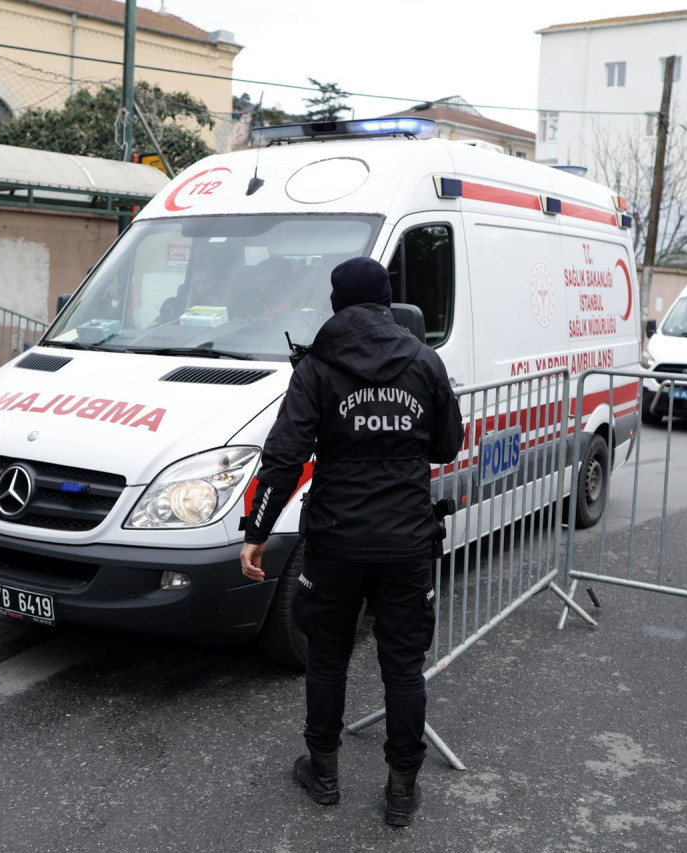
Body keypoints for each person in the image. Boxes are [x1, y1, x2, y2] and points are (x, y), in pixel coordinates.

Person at [239, 256, 464, 827]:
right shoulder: (424, 361)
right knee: (403, 666)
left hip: (336, 542)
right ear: (388, 302)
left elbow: (285, 456)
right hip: (407, 543)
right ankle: (401, 789)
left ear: (337, 305)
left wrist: (257, 534)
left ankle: (325, 772)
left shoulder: (317, 367)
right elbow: (447, 445)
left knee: (328, 660)